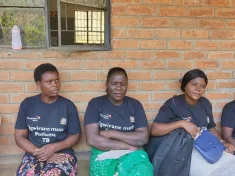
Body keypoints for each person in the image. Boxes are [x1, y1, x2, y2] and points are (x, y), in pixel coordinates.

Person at [150, 69, 235, 176]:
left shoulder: (205, 103)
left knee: (231, 164)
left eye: (202, 86)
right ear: (185, 85)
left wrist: (222, 142)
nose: (198, 89)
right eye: (194, 84)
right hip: (185, 151)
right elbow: (155, 130)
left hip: (205, 147)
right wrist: (182, 123)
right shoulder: (173, 103)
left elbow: (210, 127)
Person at [84, 67, 153, 176]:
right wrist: (128, 146)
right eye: (114, 83)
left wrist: (112, 133)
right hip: (104, 152)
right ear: (106, 84)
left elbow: (142, 138)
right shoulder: (95, 104)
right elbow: (92, 140)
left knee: (142, 171)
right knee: (102, 171)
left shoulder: (135, 105)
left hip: (133, 154)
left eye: (123, 84)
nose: (119, 88)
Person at [15, 63, 81, 176]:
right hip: (33, 153)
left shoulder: (68, 106)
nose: (55, 85)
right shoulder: (28, 104)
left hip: (61, 154)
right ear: (38, 84)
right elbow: (19, 137)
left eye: (57, 80)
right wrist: (42, 153)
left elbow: (75, 136)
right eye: (49, 82)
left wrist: (53, 148)